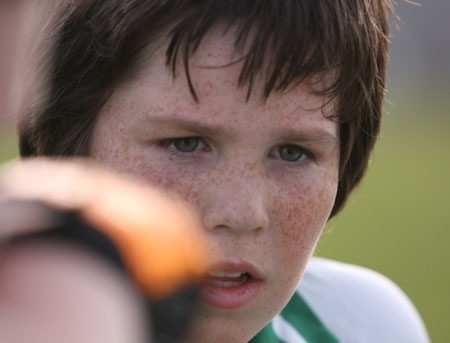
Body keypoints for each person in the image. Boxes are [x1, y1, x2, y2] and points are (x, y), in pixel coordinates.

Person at [15, 1, 429, 342]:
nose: (242, 212)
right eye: (185, 144)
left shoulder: (365, 326)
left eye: (292, 152)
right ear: (64, 148)